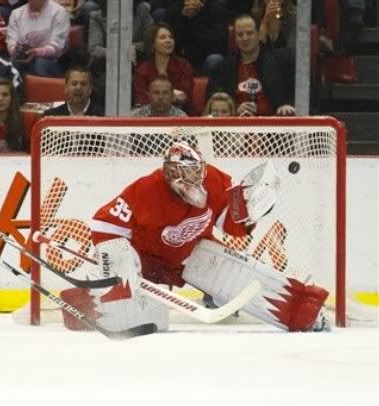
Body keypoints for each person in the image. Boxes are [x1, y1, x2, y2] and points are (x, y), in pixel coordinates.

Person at [60, 142, 329, 333]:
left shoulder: (212, 179)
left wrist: (251, 212)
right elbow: (103, 224)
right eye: (187, 174)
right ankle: (101, 305)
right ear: (171, 174)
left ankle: (304, 312)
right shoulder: (146, 190)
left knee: (238, 273)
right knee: (118, 257)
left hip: (189, 257)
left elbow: (231, 225)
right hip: (143, 260)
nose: (196, 178)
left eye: (197, 171)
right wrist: (123, 269)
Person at [205, 14, 296, 117]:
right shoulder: (221, 68)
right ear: (234, 38)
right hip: (235, 128)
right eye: (240, 34)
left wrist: (289, 105)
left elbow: (299, 90)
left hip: (274, 127)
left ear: (258, 34)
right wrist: (235, 107)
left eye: (249, 33)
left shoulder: (282, 61)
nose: (245, 38)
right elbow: (212, 100)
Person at [134, 23, 193, 110]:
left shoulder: (183, 66)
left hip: (180, 113)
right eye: (162, 37)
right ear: (152, 44)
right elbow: (142, 100)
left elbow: (186, 96)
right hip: (150, 116)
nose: (168, 40)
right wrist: (171, 96)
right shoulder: (142, 71)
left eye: (171, 37)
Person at [6, 0, 70, 77]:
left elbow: (57, 48)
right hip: (23, 59)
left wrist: (36, 52)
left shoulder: (59, 12)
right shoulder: (16, 14)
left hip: (54, 61)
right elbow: (11, 43)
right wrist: (16, 50)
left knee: (39, 63)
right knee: (12, 62)